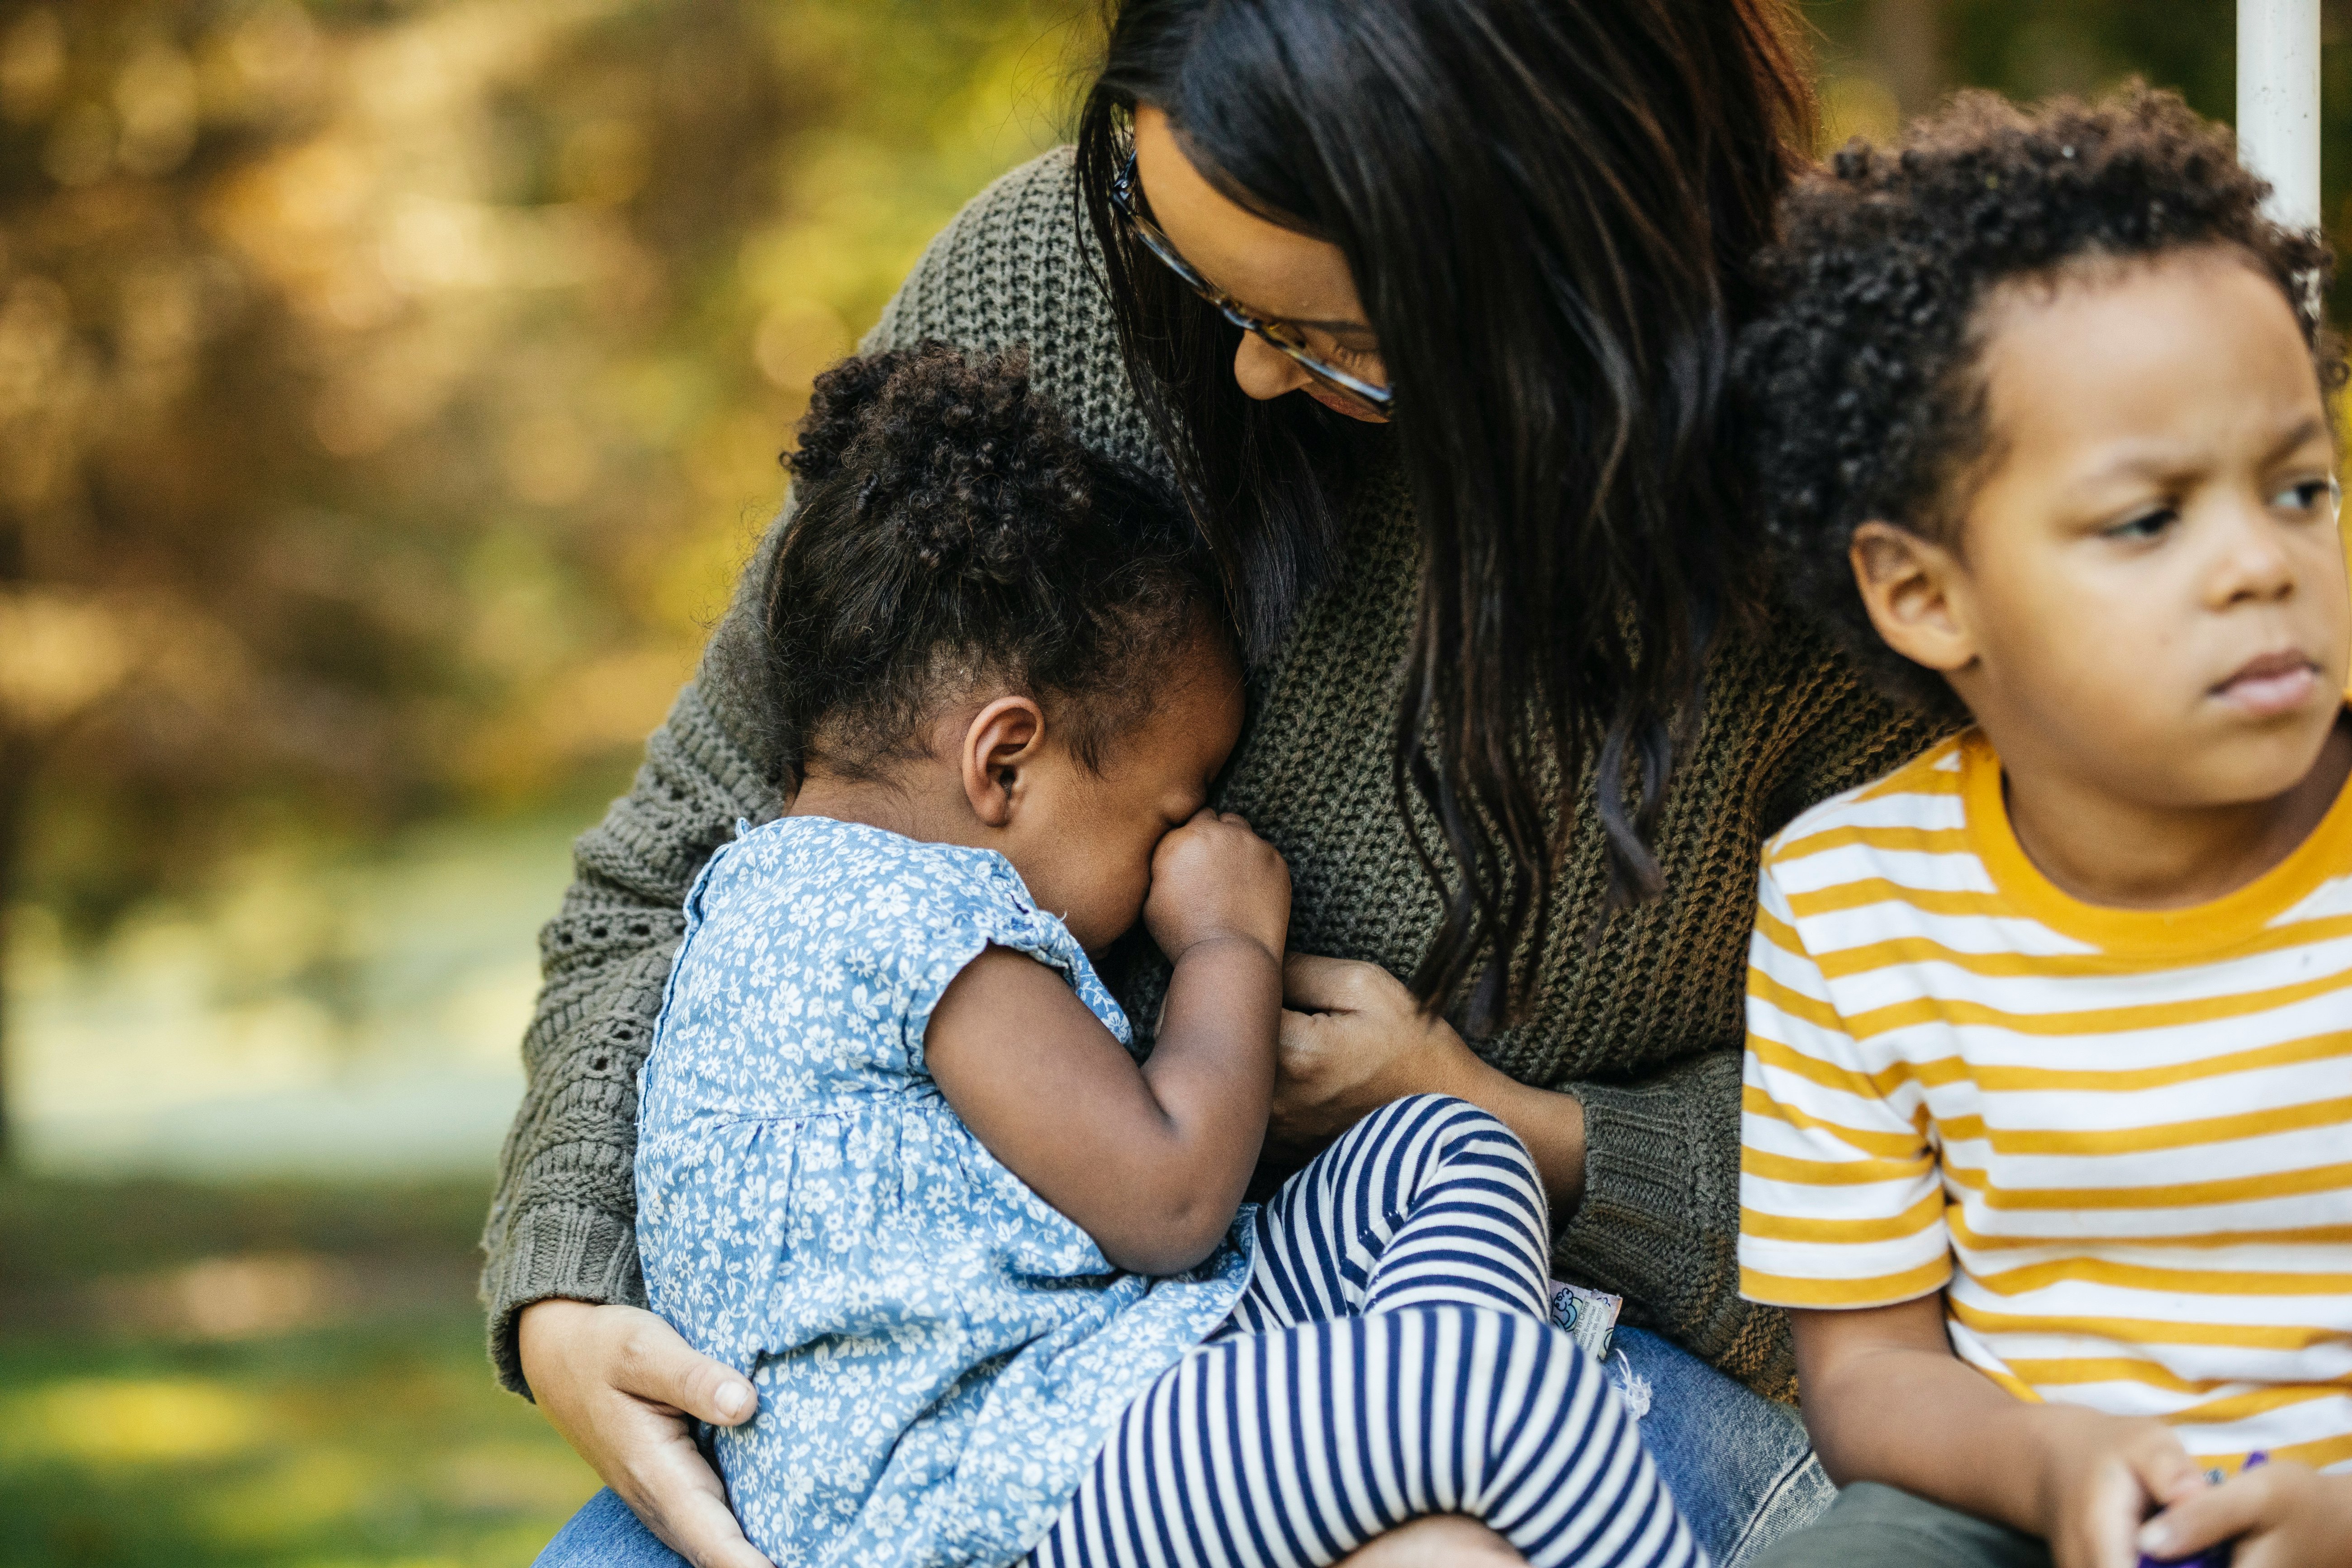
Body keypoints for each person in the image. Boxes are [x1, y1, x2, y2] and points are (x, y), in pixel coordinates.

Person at [492, 4, 1937, 1565]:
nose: (1245, 371)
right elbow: (669, 874)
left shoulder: (1853, 539)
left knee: (1464, 1409)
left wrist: (1523, 1125)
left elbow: (1984, 1140)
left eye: (1336, 339)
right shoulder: (1050, 292)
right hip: (994, 1407)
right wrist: (569, 1284)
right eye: (1203, 282)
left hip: (1575, 1332)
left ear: (1545, 250)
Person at [634, 341, 1698, 1568]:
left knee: (1443, 1146)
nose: (1184, 848)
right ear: (1004, 762)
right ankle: (1442, 1436)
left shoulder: (775, 892)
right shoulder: (909, 920)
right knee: (1490, 1388)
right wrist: (1228, 944)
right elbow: (1174, 1199)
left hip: (1089, 1389)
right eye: (1167, 812)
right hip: (988, 1493)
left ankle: (1407, 1499)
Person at [1730, 89, 2352, 1568]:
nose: (2261, 563)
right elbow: (1868, 1370)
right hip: (2034, 1507)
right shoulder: (1853, 898)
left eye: (2302, 488)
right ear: (1925, 595)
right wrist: (2056, 1463)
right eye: (2150, 518)